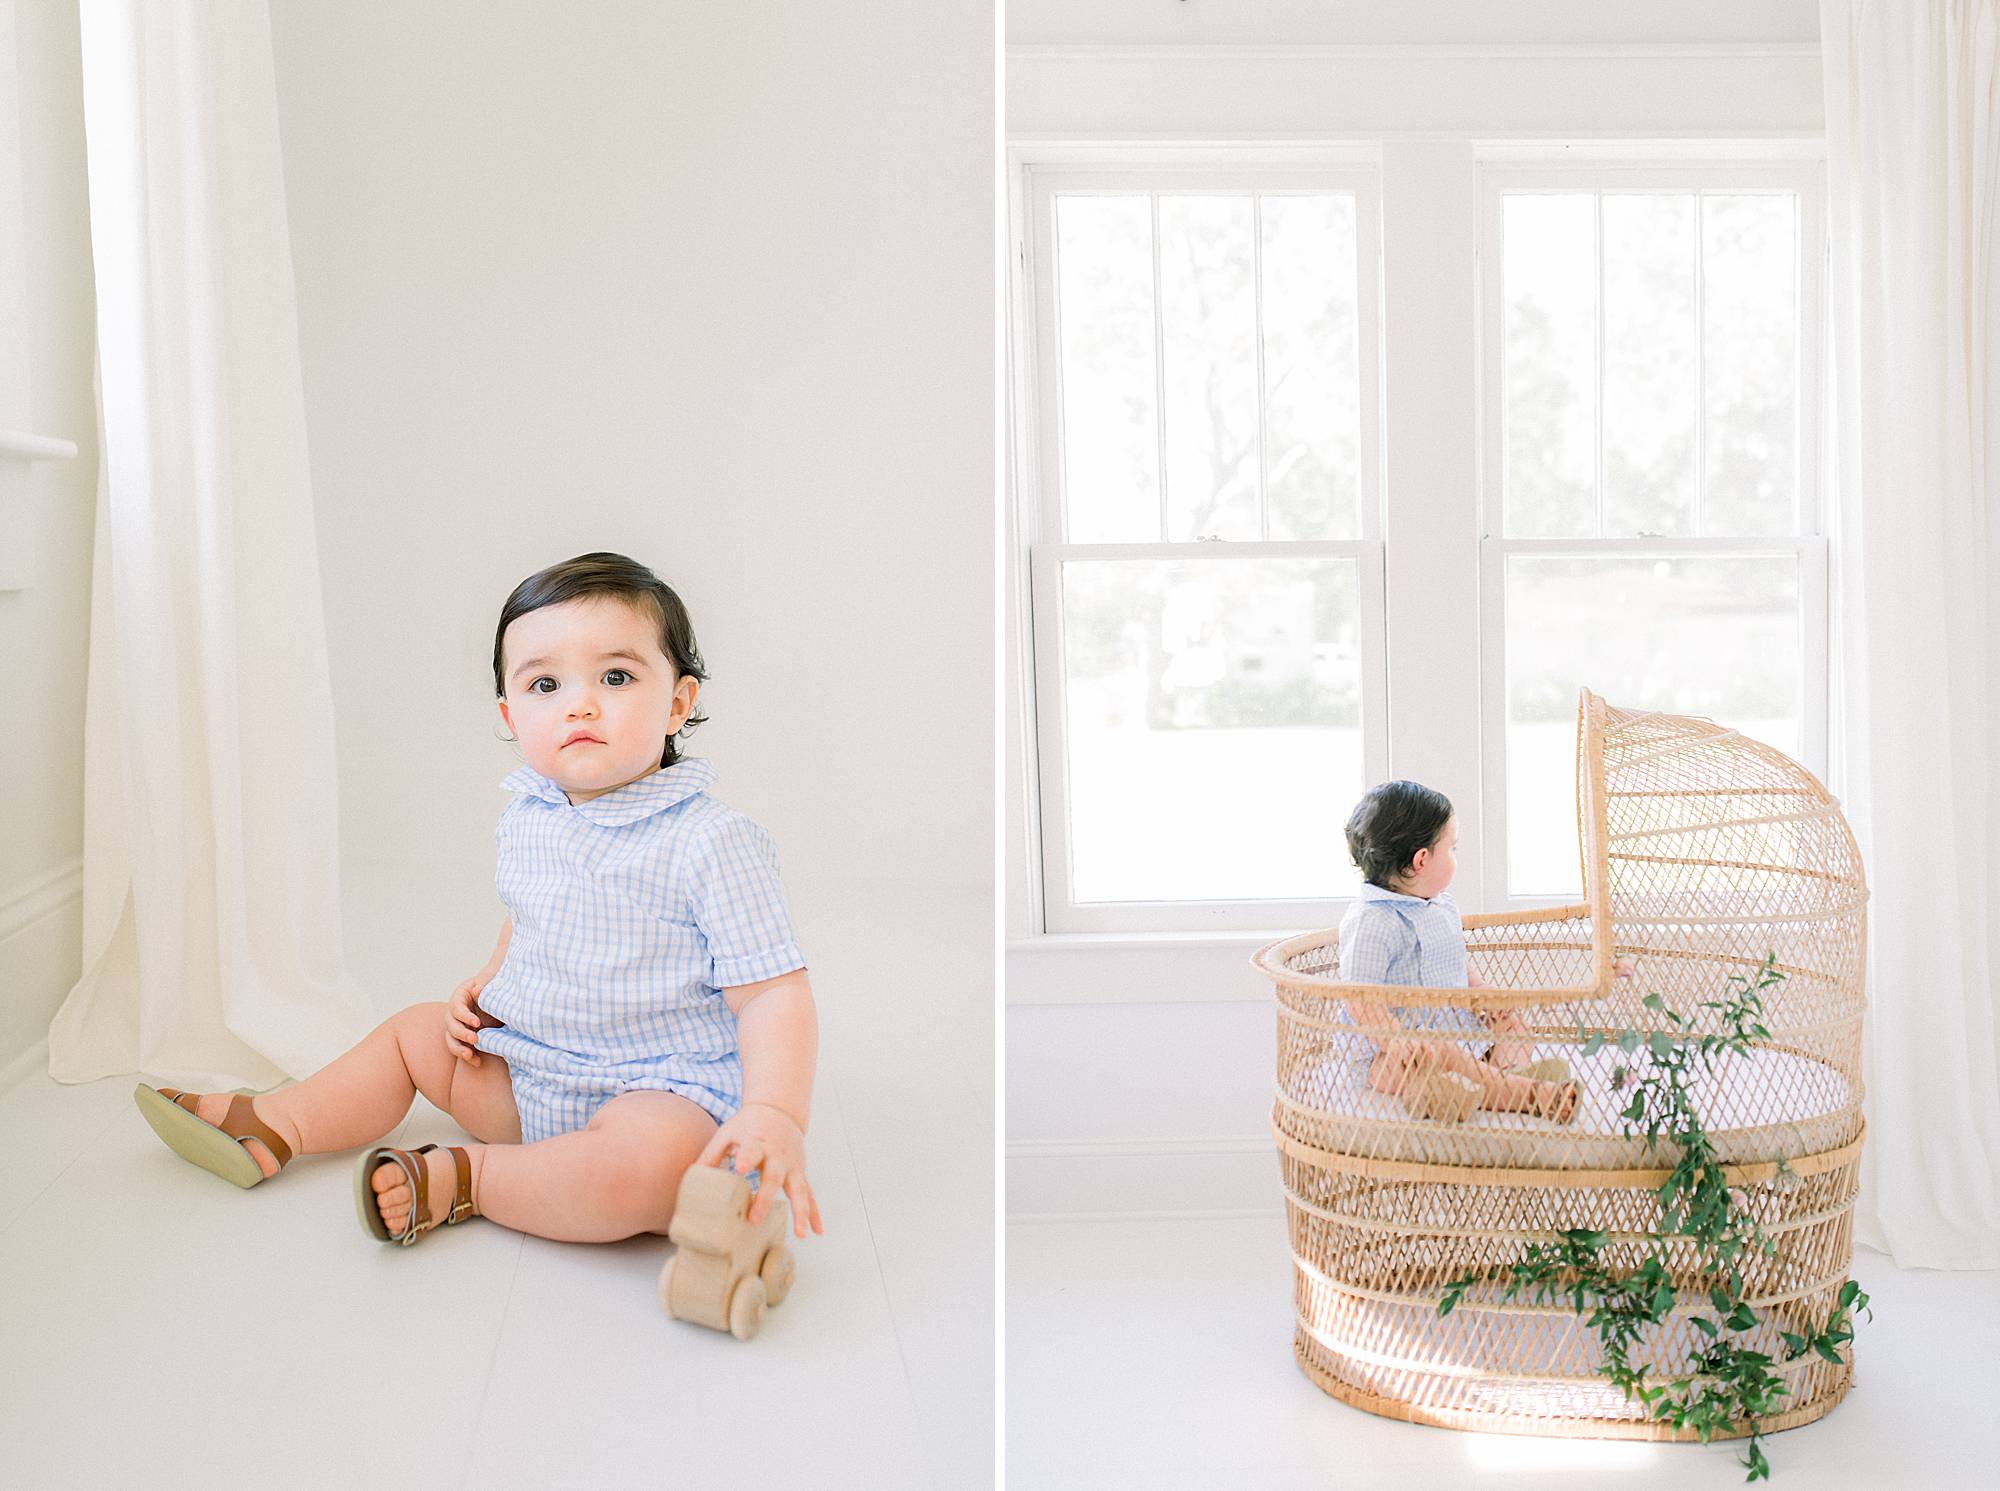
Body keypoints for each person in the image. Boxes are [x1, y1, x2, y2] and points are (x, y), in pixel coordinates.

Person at [134, 551, 824, 1247]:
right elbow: (529, 916)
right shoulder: (528, 814)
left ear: (678, 701)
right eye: (545, 684)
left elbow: (770, 994)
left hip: (655, 1092)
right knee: (413, 1032)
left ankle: (472, 1179)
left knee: (650, 1169)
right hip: (530, 1076)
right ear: (510, 714)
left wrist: (773, 1112)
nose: (579, 702)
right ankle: (280, 1123)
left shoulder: (712, 840)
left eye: (615, 675)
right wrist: (491, 985)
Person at [1338, 780, 1578, 1126]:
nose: (1455, 856)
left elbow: (1452, 961)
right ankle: (1529, 1094)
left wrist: (1481, 994)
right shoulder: (1372, 921)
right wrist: (1397, 1039)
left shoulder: (1440, 906)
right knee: (1438, 1058)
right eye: (1452, 847)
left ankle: (1499, 1081)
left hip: (1454, 1031)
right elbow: (1360, 999)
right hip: (1390, 1056)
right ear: (1422, 860)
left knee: (1514, 1024)